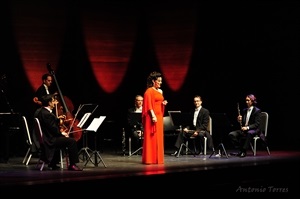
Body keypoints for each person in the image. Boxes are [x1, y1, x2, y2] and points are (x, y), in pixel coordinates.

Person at [34, 94, 82, 171]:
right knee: (72, 141)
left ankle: (53, 163)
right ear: (49, 103)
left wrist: (56, 119)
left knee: (65, 139)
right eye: (53, 101)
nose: (55, 103)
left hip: (45, 137)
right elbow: (54, 130)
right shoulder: (47, 114)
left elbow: (48, 123)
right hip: (50, 140)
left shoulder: (39, 111)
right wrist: (62, 133)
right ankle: (72, 164)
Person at [142, 71, 168, 164]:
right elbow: (149, 105)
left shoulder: (160, 91)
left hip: (159, 116)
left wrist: (163, 103)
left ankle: (158, 158)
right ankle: (150, 159)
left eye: (161, 81)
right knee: (151, 136)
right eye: (159, 81)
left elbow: (159, 102)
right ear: (153, 81)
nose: (160, 82)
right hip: (152, 117)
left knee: (159, 137)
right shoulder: (149, 91)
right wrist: (153, 116)